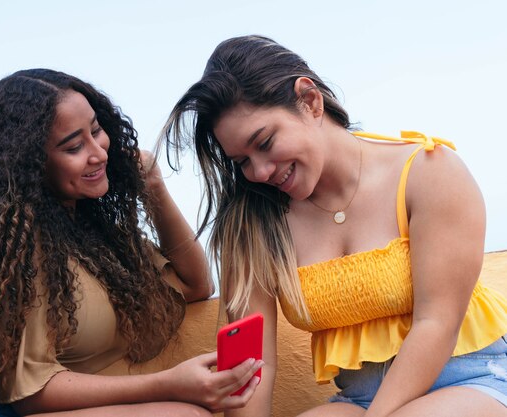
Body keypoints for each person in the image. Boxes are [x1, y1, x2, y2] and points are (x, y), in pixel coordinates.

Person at [161, 35, 507, 416]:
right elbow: (255, 364)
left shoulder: (429, 172)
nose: (258, 172)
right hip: (358, 400)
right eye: (241, 161)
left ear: (309, 101)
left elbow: (436, 321)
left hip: (473, 378)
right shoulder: (252, 225)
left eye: (265, 142)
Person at [0, 68, 264, 417]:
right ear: (33, 165)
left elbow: (195, 284)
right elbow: (29, 392)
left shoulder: (92, 236)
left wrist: (154, 187)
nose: (99, 153)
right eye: (74, 146)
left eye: (96, 131)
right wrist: (169, 383)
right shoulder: (25, 246)